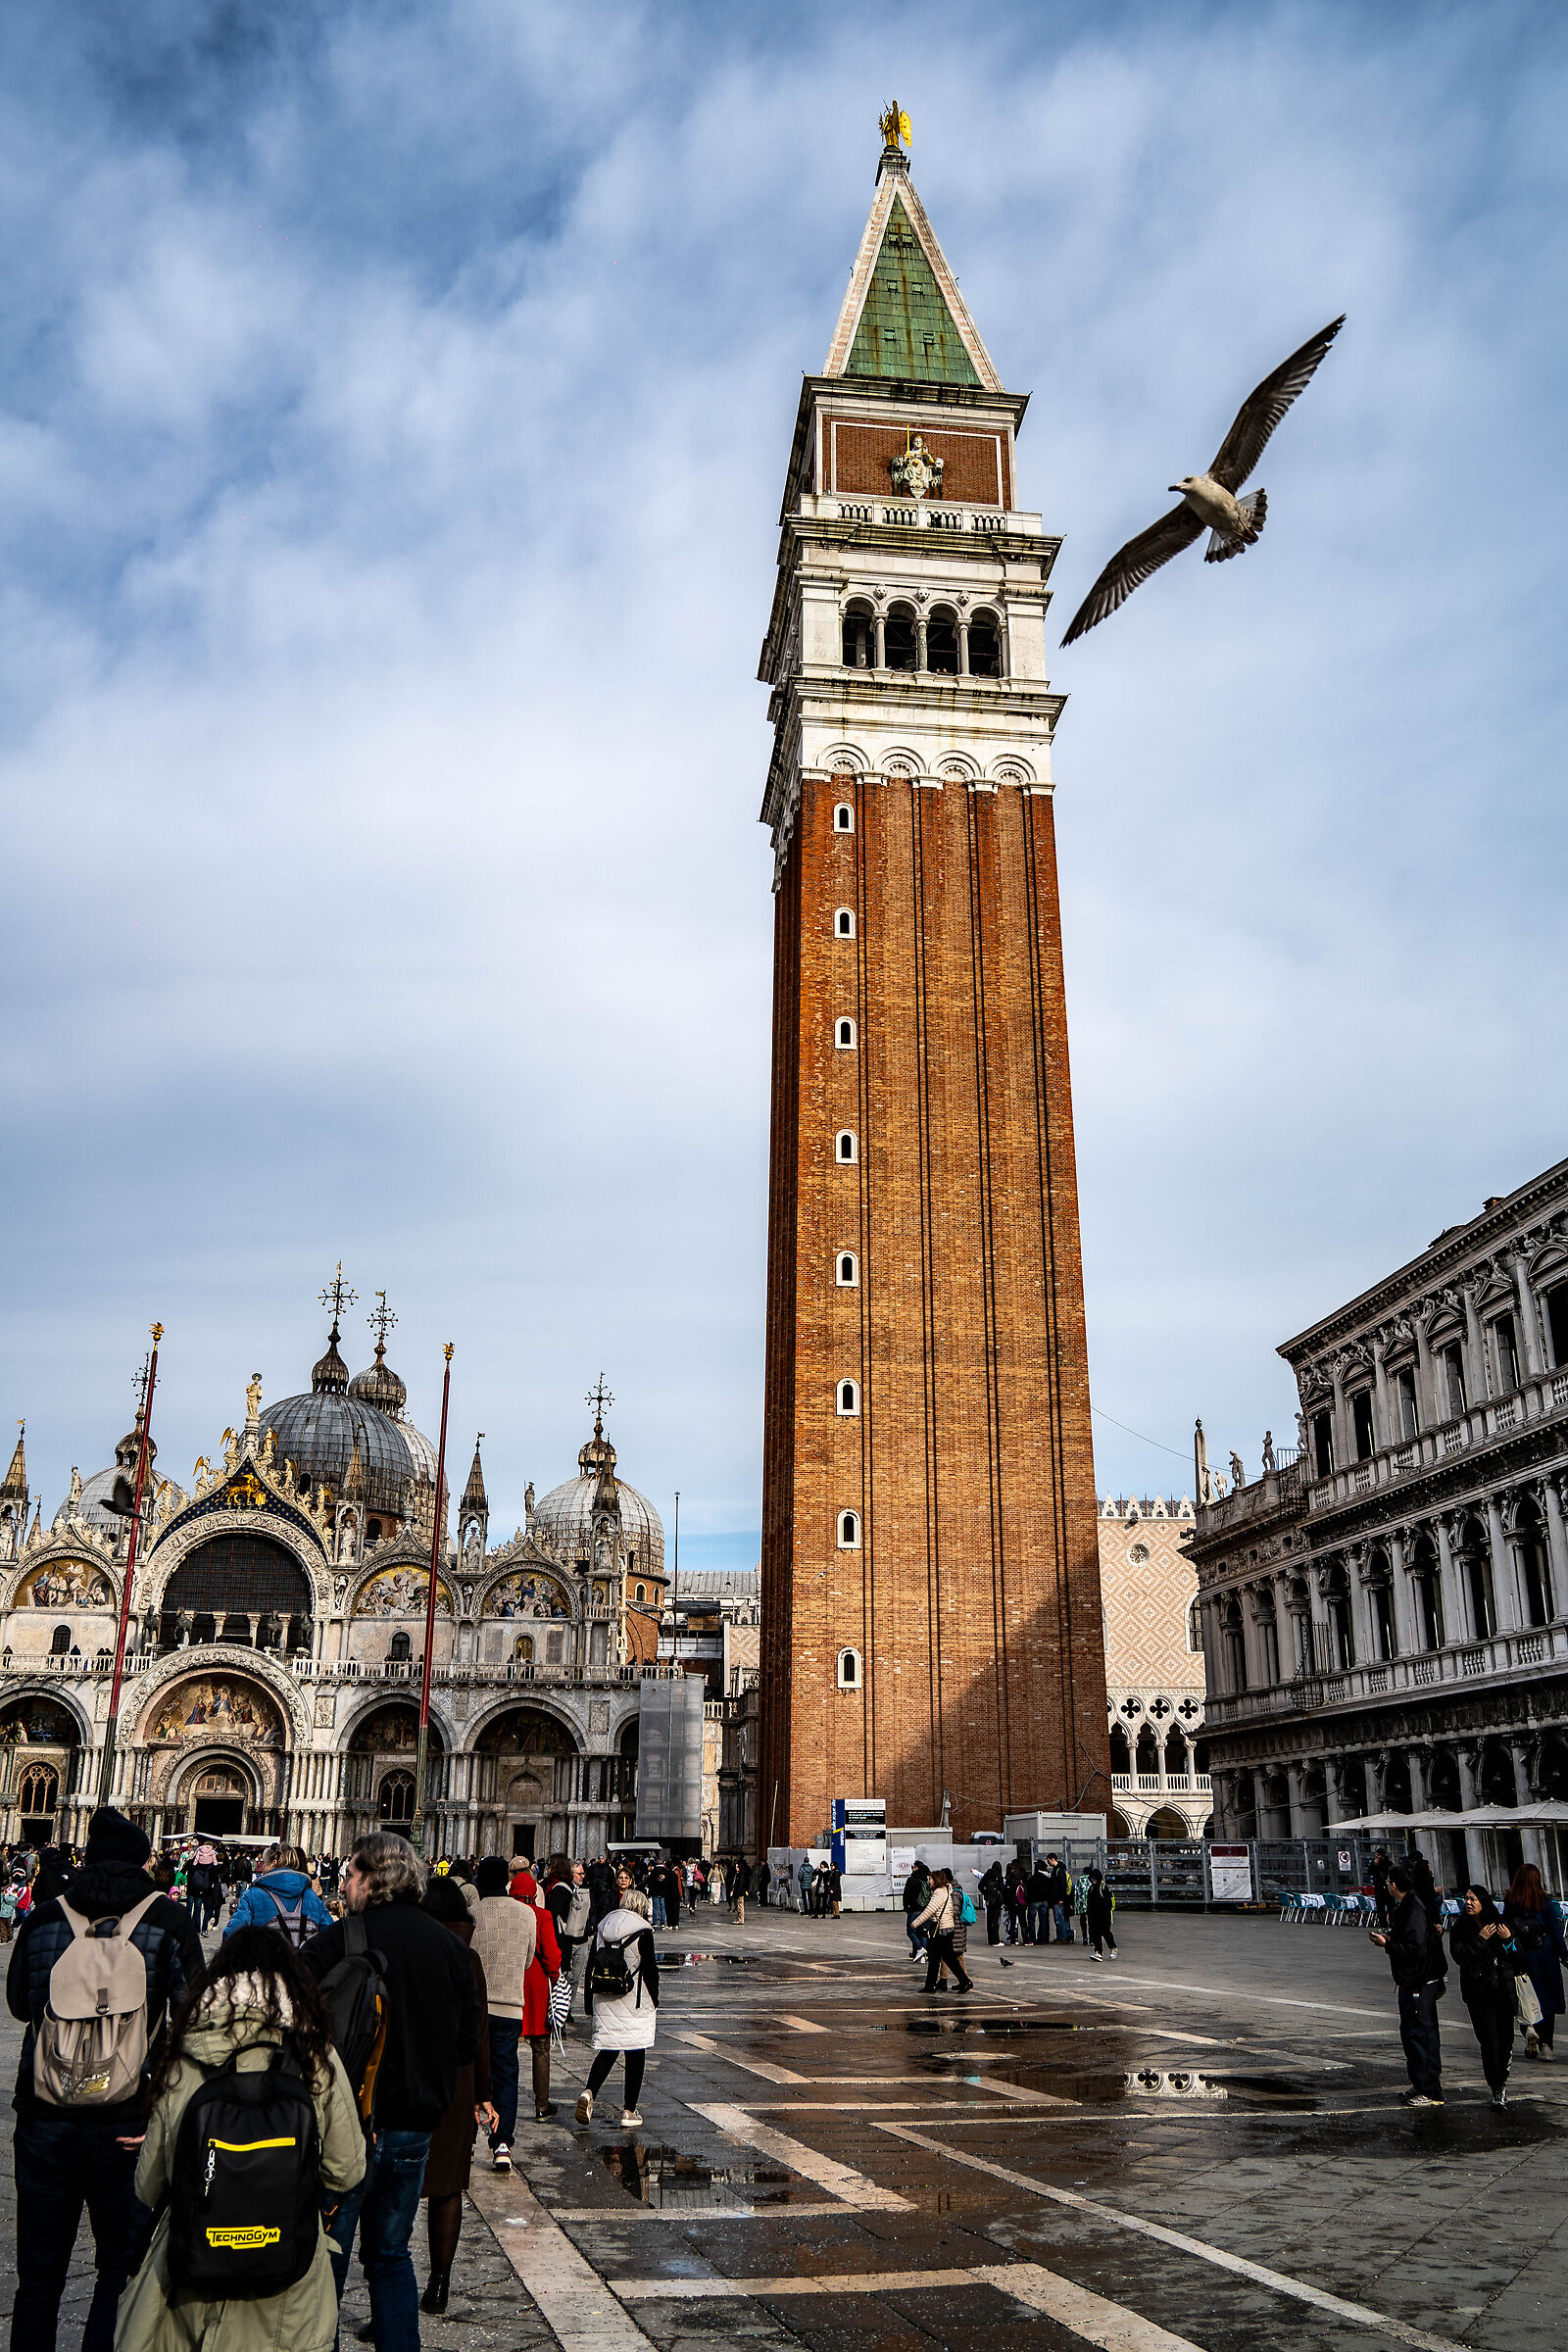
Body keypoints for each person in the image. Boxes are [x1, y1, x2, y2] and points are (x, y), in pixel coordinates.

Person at [7, 1805, 203, 2352]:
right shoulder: (168, 1920)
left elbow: (22, 2003)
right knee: (118, 2269)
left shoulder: (46, 1916)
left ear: (88, 1857)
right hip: (127, 2121)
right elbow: (195, 2019)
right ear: (143, 1862)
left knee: (39, 2275)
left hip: (45, 2118)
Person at [114, 1925, 365, 2352]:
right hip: (288, 2278)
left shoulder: (188, 2052)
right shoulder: (314, 2052)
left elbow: (147, 2185)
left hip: (195, 2276)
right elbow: (348, 2169)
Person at [300, 1831, 481, 2351]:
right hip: (412, 2129)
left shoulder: (342, 1939)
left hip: (345, 2127)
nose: (343, 1881)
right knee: (391, 2254)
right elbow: (467, 2044)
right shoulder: (449, 1946)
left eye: (352, 1873)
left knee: (329, 2252)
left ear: (373, 1880)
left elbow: (288, 2016)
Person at [416, 1877, 496, 2314]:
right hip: (456, 2083)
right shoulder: (469, 1959)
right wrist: (484, 2093)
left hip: (406, 2079)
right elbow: (479, 2032)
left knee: (393, 2189)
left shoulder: (409, 1950)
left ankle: (382, 2297)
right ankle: (440, 2284)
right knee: (447, 2188)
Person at [463, 1854, 537, 2172]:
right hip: (510, 2008)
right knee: (506, 2073)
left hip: (476, 2007)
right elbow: (529, 1960)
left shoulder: (472, 1913)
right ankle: (502, 2143)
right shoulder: (526, 1914)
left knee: (468, 2072)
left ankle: (465, 2142)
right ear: (506, 1880)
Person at [576, 1886, 659, 2129]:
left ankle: (589, 2092)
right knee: (636, 2051)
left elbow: (592, 1965)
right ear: (641, 1907)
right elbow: (651, 1970)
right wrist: (655, 1999)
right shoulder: (644, 1931)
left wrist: (589, 2002)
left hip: (604, 1996)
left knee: (609, 2049)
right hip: (634, 1998)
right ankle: (629, 2111)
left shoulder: (604, 1926)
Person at [1370, 1858, 1446, 2106]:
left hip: (1419, 1981)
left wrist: (1388, 1944)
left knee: (1422, 2035)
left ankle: (1431, 2089)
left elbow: (1416, 1948)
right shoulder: (1407, 1906)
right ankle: (1419, 2084)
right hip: (1410, 1981)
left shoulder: (1413, 1908)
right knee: (1410, 2034)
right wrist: (1390, 1938)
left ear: (1393, 1885)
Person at [1449, 1884, 1517, 2107]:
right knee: (1489, 2041)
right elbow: (1460, 1956)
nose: (1468, 1903)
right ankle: (1496, 2087)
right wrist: (1479, 1939)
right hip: (1479, 1993)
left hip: (1503, 1992)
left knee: (1505, 2040)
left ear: (1483, 1903)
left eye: (1473, 1899)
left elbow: (1518, 1958)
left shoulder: (1499, 1925)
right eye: (1466, 1899)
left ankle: (1502, 2082)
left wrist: (1508, 1940)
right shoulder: (1461, 1928)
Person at [508, 1865, 563, 2121]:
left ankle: (501, 2103)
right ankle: (542, 2106)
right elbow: (552, 1956)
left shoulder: (505, 1914)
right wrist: (555, 1978)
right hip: (537, 1985)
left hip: (509, 1981)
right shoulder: (542, 1916)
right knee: (540, 2047)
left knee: (505, 2046)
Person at [1504, 1861, 1568, 2061]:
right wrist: (1564, 1955)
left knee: (1524, 1996)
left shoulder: (1510, 1901)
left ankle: (1529, 2029)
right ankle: (1546, 2045)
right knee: (1547, 2000)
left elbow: (1505, 1928)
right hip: (1545, 1953)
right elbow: (1557, 1932)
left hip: (1521, 1955)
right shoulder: (1544, 1901)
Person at [224, 1842, 334, 1947]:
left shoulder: (253, 1894)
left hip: (266, 1963)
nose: (262, 1868)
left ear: (273, 1863)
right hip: (303, 1964)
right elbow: (330, 1934)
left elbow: (232, 1934)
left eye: (264, 1863)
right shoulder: (311, 1896)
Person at [910, 1868, 973, 1995]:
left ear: (936, 1880)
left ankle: (962, 1981)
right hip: (947, 1929)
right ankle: (934, 1985)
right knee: (940, 1959)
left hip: (941, 1931)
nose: (929, 1882)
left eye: (931, 1879)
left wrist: (915, 1923)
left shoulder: (939, 1893)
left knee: (940, 1959)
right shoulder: (946, 1891)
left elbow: (929, 1910)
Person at [546, 1857, 592, 2018]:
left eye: (583, 1873)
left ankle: (568, 2008)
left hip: (581, 1939)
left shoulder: (581, 1890)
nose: (582, 1876)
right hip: (566, 1940)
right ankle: (562, 2009)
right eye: (579, 1873)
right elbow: (552, 1914)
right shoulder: (560, 1889)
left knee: (575, 1977)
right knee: (565, 1976)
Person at [1085, 1867, 1117, 1961]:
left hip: (1104, 1915)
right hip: (1094, 1916)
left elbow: (1109, 1903)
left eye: (1095, 1878)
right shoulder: (1091, 1889)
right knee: (1096, 1934)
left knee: (1106, 1932)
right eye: (1091, 1879)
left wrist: (1106, 1914)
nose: (1093, 1880)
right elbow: (1089, 1903)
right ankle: (1098, 1953)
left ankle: (1113, 1947)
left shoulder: (1104, 1888)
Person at [902, 1860, 932, 1959]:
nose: (912, 1869)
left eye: (913, 1867)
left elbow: (906, 1895)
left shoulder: (912, 1879)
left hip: (914, 1909)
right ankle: (922, 1955)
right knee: (922, 1932)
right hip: (926, 1910)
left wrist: (906, 1908)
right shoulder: (928, 1879)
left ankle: (919, 1949)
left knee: (911, 1931)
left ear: (917, 1868)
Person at [1042, 1853, 1072, 1944]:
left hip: (1058, 1899)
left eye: (1049, 1860)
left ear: (1053, 1859)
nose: (1048, 1863)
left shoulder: (1059, 1870)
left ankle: (1062, 1937)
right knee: (1062, 1918)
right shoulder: (1059, 1870)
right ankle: (1065, 1936)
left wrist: (1061, 1898)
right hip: (1058, 1898)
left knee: (1059, 1919)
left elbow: (1062, 1885)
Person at [1024, 1857, 1054, 1946]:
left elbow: (1028, 1888)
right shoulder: (1048, 1877)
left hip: (1034, 1901)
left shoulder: (1033, 1878)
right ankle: (1042, 1938)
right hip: (1044, 1901)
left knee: (1031, 1920)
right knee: (1043, 1920)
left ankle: (1032, 1938)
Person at [979, 1859, 1005, 1946]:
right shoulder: (999, 1877)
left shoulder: (987, 1875)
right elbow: (1002, 1889)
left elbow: (980, 1886)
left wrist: (986, 1894)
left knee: (989, 1920)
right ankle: (996, 1940)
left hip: (988, 1900)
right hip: (997, 1901)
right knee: (995, 1920)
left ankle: (990, 1939)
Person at [728, 1855, 750, 1926]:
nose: (736, 1868)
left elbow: (741, 1884)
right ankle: (737, 1918)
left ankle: (740, 1919)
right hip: (736, 1892)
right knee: (737, 1906)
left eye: (737, 1867)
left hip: (740, 1892)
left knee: (740, 1906)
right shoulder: (738, 1874)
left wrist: (738, 1892)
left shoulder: (742, 1874)